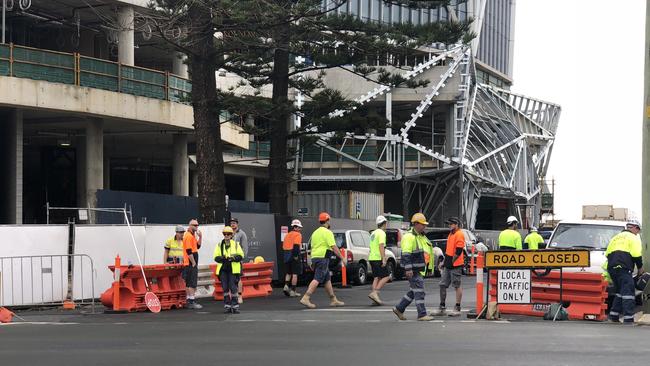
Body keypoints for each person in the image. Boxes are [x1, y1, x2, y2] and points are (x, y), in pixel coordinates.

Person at [392, 213, 435, 321]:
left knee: (414, 290)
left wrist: (428, 268)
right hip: (413, 270)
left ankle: (399, 308)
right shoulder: (409, 237)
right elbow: (406, 254)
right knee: (419, 291)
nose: (424, 226)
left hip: (417, 269)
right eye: (422, 224)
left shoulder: (418, 236)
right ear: (416, 224)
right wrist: (408, 269)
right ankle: (422, 314)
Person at [299, 212, 346, 309]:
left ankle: (333, 299)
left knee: (327, 279)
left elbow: (311, 247)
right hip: (323, 258)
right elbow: (334, 247)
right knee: (317, 278)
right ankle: (306, 297)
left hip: (315, 257)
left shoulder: (315, 232)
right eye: (329, 220)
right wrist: (342, 258)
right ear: (327, 220)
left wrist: (312, 261)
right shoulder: (328, 232)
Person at [605, 219, 644, 324]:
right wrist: (640, 267)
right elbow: (636, 254)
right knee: (629, 292)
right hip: (623, 267)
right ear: (635, 228)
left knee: (619, 292)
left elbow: (607, 254)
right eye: (638, 230)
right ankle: (628, 318)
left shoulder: (615, 238)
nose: (638, 233)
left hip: (612, 267)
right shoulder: (633, 237)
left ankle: (614, 315)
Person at [435, 217, 464, 317]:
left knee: (457, 285)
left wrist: (451, 262)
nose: (449, 226)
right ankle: (442, 307)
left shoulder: (459, 234)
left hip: (456, 264)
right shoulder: (451, 234)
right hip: (449, 264)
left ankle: (457, 307)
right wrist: (444, 262)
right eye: (449, 224)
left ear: (456, 224)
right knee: (442, 285)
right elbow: (448, 251)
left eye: (451, 224)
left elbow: (459, 251)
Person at [214, 226, 245, 314]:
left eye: (228, 234)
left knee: (233, 287)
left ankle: (235, 307)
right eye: (225, 234)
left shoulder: (236, 244)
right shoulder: (219, 245)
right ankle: (227, 306)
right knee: (225, 288)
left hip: (233, 269)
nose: (226, 235)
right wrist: (223, 258)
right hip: (223, 269)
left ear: (231, 235)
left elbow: (241, 255)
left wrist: (233, 258)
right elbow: (216, 257)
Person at [368, 215, 391, 305]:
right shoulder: (381, 233)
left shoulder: (373, 233)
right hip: (378, 258)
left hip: (372, 258)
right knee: (386, 276)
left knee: (376, 277)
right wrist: (383, 258)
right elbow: (381, 246)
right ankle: (375, 293)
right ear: (384, 224)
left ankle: (375, 299)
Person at [182, 219, 203, 309]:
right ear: (190, 225)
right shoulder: (188, 236)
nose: (196, 227)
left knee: (189, 282)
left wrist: (200, 237)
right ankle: (191, 301)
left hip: (191, 262)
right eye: (194, 225)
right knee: (191, 283)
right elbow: (189, 251)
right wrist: (193, 262)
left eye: (197, 225)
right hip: (190, 262)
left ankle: (189, 300)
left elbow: (197, 246)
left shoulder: (192, 235)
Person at [282, 219, 304, 297]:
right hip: (294, 255)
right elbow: (296, 246)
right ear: (296, 227)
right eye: (299, 228)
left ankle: (286, 286)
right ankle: (293, 291)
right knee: (295, 274)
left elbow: (284, 246)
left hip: (286, 255)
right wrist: (295, 256)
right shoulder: (298, 235)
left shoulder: (287, 235)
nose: (300, 229)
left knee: (288, 273)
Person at [230, 218, 248, 305]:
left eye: (234, 223)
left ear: (237, 224)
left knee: (238, 278)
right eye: (231, 223)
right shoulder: (228, 233)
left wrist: (241, 258)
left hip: (238, 260)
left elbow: (245, 247)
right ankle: (233, 295)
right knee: (231, 278)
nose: (232, 225)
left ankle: (240, 296)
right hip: (229, 260)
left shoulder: (242, 234)